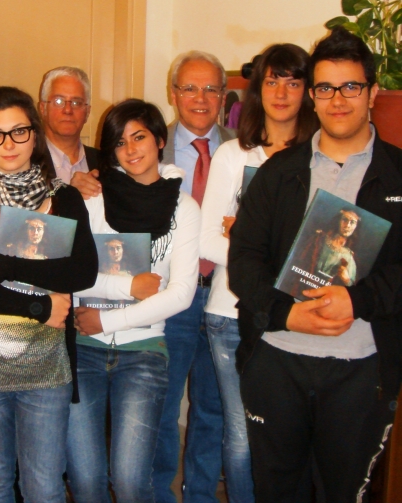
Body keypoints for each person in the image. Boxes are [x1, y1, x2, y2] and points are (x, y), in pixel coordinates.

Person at [228, 26, 402, 502]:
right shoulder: (278, 174)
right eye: (325, 87)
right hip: (277, 362)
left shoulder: (398, 175)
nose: (338, 100)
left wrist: (358, 300)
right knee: (278, 491)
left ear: (373, 92)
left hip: (360, 370)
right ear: (313, 95)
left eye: (351, 86)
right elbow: (244, 260)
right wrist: (286, 313)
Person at [0, 86, 97, 503]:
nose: (8, 144)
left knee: (43, 487)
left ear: (35, 134)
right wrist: (38, 305)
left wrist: (5, 266)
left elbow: (83, 270)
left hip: (47, 366)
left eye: (19, 132)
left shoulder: (62, 197)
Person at [199, 43, 318, 503]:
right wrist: (272, 253)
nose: (282, 92)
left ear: (307, 90)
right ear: (257, 89)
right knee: (243, 434)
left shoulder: (318, 157)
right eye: (272, 80)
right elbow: (210, 242)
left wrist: (247, 238)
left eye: (293, 81)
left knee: (290, 436)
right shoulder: (235, 156)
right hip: (230, 314)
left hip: (296, 317)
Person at [67, 99, 200, 503]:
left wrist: (108, 322)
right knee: (86, 483)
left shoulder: (184, 207)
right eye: (120, 142)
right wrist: (126, 289)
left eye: (139, 136)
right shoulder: (91, 200)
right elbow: (72, 277)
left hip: (143, 352)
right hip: (83, 352)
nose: (131, 149)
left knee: (129, 483)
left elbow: (180, 293)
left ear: (160, 139)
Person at [153, 50, 235, 503]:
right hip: (171, 295)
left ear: (224, 96)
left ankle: (201, 495)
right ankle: (159, 495)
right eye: (189, 87)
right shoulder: (148, 147)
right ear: (173, 94)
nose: (200, 98)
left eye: (210, 89)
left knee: (212, 408)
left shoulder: (244, 150)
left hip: (224, 296)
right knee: (162, 408)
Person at [38, 66, 102, 196]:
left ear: (87, 112)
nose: (67, 110)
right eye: (59, 101)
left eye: (76, 103)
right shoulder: (26, 161)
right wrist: (69, 196)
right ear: (43, 108)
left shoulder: (104, 163)